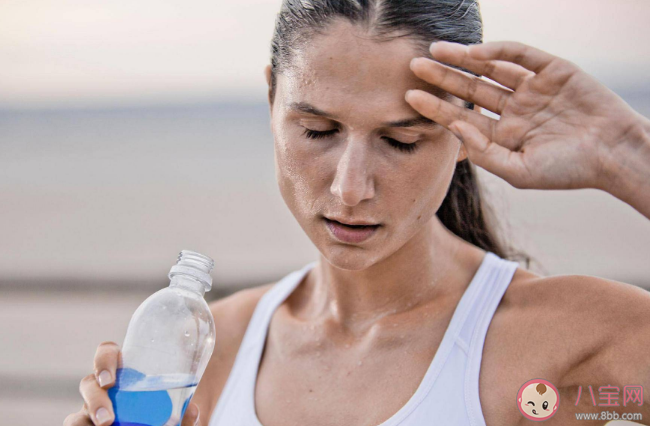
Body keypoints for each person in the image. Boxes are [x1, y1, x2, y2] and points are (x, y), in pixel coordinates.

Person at [64, 1, 650, 425]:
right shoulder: (212, 351)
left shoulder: (553, 346)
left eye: (401, 142)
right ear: (273, 102)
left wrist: (630, 157)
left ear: (466, 127)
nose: (349, 189)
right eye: (318, 130)